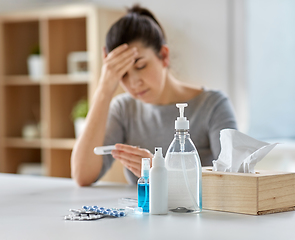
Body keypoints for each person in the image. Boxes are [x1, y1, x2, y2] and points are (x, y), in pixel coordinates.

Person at [71, 5, 238, 186]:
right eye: (123, 74)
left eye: (141, 66)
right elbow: (82, 175)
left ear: (164, 56)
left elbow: (234, 182)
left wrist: (163, 172)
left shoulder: (213, 106)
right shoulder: (124, 109)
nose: (134, 83)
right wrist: (104, 89)